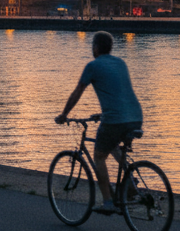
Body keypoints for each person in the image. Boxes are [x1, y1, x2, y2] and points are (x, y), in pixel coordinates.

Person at [56, 30, 143, 215]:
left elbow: (78, 90)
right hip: (135, 116)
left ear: (95, 47)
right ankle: (130, 183)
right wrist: (103, 114)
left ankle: (108, 202)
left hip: (115, 120)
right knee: (112, 145)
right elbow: (119, 95)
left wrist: (64, 114)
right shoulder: (121, 63)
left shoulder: (93, 66)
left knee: (99, 157)